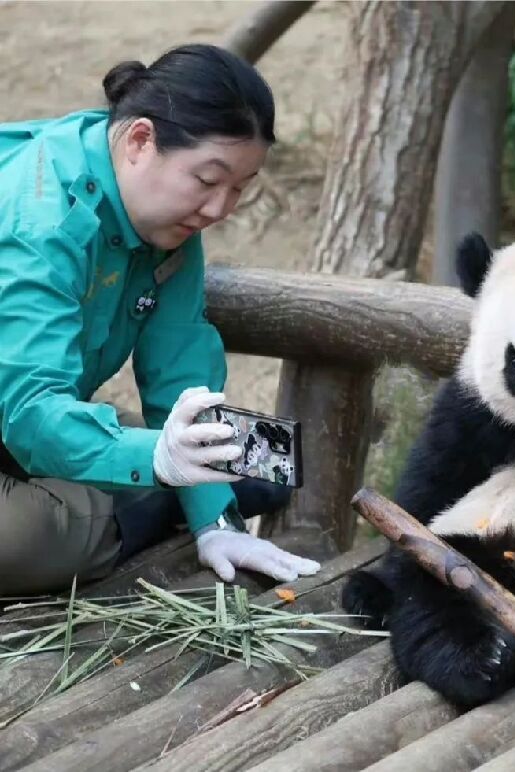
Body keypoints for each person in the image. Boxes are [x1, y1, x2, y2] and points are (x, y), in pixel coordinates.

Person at [0, 44, 320, 594]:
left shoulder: (163, 225)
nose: (220, 209)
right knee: (22, 540)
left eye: (238, 188)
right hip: (23, 418)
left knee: (267, 456)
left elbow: (180, 366)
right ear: (140, 141)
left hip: (21, 421)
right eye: (206, 180)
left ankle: (177, 485)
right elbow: (29, 412)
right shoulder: (39, 222)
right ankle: (142, 505)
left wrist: (217, 524)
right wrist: (157, 458)